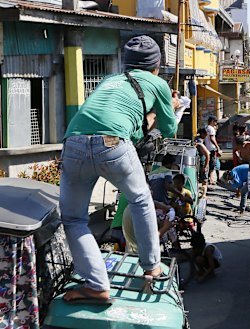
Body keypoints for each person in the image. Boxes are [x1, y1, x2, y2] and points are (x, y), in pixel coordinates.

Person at [59, 35, 179, 303]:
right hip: (114, 144)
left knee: (74, 219)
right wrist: (169, 108)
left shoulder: (109, 80)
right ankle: (151, 266)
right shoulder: (158, 83)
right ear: (156, 65)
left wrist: (146, 118)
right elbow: (169, 129)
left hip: (74, 142)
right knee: (140, 200)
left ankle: (97, 285)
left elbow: (123, 124)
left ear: (126, 64)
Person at [204, 116, 221, 184]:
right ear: (212, 121)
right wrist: (217, 147)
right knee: (212, 165)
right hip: (211, 149)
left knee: (208, 164)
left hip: (206, 149)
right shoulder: (211, 129)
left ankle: (207, 178)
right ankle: (211, 179)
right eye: (215, 122)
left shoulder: (206, 127)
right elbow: (212, 138)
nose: (216, 123)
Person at [194, 128, 210, 198]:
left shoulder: (196, 139)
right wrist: (206, 166)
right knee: (204, 180)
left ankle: (199, 193)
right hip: (203, 162)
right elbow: (207, 155)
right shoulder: (200, 142)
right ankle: (204, 195)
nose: (207, 135)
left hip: (198, 162)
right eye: (206, 134)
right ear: (203, 134)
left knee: (198, 179)